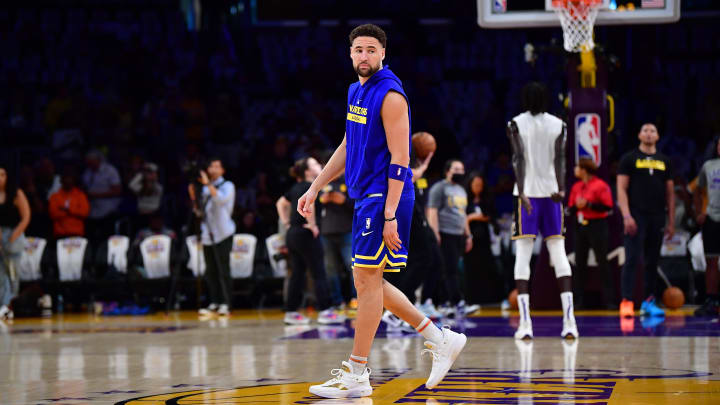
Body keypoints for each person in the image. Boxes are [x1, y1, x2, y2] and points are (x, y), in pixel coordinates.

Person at [297, 24, 466, 399]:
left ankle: (358, 372)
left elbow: (402, 159)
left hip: (384, 197)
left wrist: (390, 212)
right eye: (358, 50)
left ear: (383, 53)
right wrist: (315, 186)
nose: (364, 56)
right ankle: (439, 338)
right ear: (350, 54)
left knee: (365, 281)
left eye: (371, 50)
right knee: (368, 280)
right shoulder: (355, 91)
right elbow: (347, 144)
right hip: (366, 197)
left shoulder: (391, 95)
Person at [507, 82, 578, 340]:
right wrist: (561, 188)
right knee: (559, 254)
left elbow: (519, 158)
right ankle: (569, 321)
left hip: (526, 195)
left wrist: (523, 191)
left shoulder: (515, 123)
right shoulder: (560, 124)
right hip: (552, 194)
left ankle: (525, 324)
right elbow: (561, 158)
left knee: (523, 257)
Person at [276, 157, 346, 325]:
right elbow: (311, 205)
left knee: (297, 274)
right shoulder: (310, 187)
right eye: (314, 164)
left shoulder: (295, 188)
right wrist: (312, 224)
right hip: (306, 234)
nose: (318, 165)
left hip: (292, 233)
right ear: (307, 171)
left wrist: (286, 222)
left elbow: (280, 203)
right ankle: (326, 311)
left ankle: (291, 312)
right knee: (319, 272)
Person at [617, 123, 675, 318]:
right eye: (645, 130)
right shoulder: (629, 158)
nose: (649, 133)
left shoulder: (664, 160)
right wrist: (626, 216)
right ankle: (626, 301)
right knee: (632, 259)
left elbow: (670, 194)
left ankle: (649, 302)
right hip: (635, 215)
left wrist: (671, 221)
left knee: (653, 262)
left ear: (657, 136)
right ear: (639, 135)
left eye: (652, 131)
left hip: (657, 216)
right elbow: (621, 189)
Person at [188, 157, 235, 317]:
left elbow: (220, 200)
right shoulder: (205, 188)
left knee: (223, 269)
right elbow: (200, 212)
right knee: (211, 271)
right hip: (208, 233)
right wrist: (194, 198)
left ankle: (226, 303)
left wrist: (207, 184)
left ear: (223, 170)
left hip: (223, 233)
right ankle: (214, 301)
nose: (213, 169)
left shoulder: (227, 186)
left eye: (217, 166)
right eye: (211, 166)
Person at [427, 159, 473, 315]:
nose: (460, 172)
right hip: (445, 233)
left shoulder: (461, 189)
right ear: (447, 171)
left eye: (462, 169)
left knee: (452, 269)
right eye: (456, 169)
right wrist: (435, 233)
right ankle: (455, 302)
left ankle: (449, 302)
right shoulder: (439, 188)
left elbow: (463, 214)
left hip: (459, 234)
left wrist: (468, 235)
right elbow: (432, 211)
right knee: (449, 269)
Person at [567, 157, 614, 309]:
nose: (575, 170)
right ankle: (578, 301)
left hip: (597, 225)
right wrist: (577, 206)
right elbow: (570, 209)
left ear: (584, 170)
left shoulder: (600, 186)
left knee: (602, 261)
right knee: (580, 262)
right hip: (580, 225)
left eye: (577, 167)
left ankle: (609, 300)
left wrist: (589, 205)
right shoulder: (576, 187)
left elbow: (608, 207)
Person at [318, 169, 357, 310]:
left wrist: (344, 201)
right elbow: (312, 206)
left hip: (346, 230)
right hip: (326, 232)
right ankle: (337, 301)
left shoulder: (349, 182)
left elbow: (359, 205)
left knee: (352, 266)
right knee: (330, 269)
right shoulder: (321, 183)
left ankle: (355, 298)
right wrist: (321, 201)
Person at [693, 136, 720, 316]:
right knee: (711, 261)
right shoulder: (708, 166)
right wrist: (698, 213)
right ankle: (711, 299)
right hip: (712, 217)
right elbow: (697, 190)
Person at [0, 165, 31, 320]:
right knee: (0, 274)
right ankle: (1, 305)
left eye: (2, 174)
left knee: (13, 273)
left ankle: (10, 304)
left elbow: (26, 217)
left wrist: (13, 236)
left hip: (14, 234)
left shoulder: (16, 193)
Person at [464, 171, 499, 306]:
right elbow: (462, 217)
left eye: (480, 185)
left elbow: (492, 216)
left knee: (488, 267)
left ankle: (489, 298)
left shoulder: (487, 199)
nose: (478, 187)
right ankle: (471, 299)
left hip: (484, 238)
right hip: (471, 238)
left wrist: (475, 217)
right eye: (475, 185)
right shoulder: (465, 199)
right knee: (471, 268)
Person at [82, 150, 122, 241]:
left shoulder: (110, 171)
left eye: (91, 161)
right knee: (92, 239)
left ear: (98, 160)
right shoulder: (87, 172)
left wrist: (96, 195)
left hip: (108, 211)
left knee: (107, 238)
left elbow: (117, 191)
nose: (89, 164)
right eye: (88, 162)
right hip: (91, 212)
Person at [48, 169, 90, 239]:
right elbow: (53, 214)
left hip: (77, 233)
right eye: (65, 179)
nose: (68, 181)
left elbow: (84, 213)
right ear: (61, 180)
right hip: (60, 233)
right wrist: (72, 212)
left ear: (74, 181)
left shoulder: (80, 195)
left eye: (70, 179)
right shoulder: (54, 196)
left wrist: (68, 210)